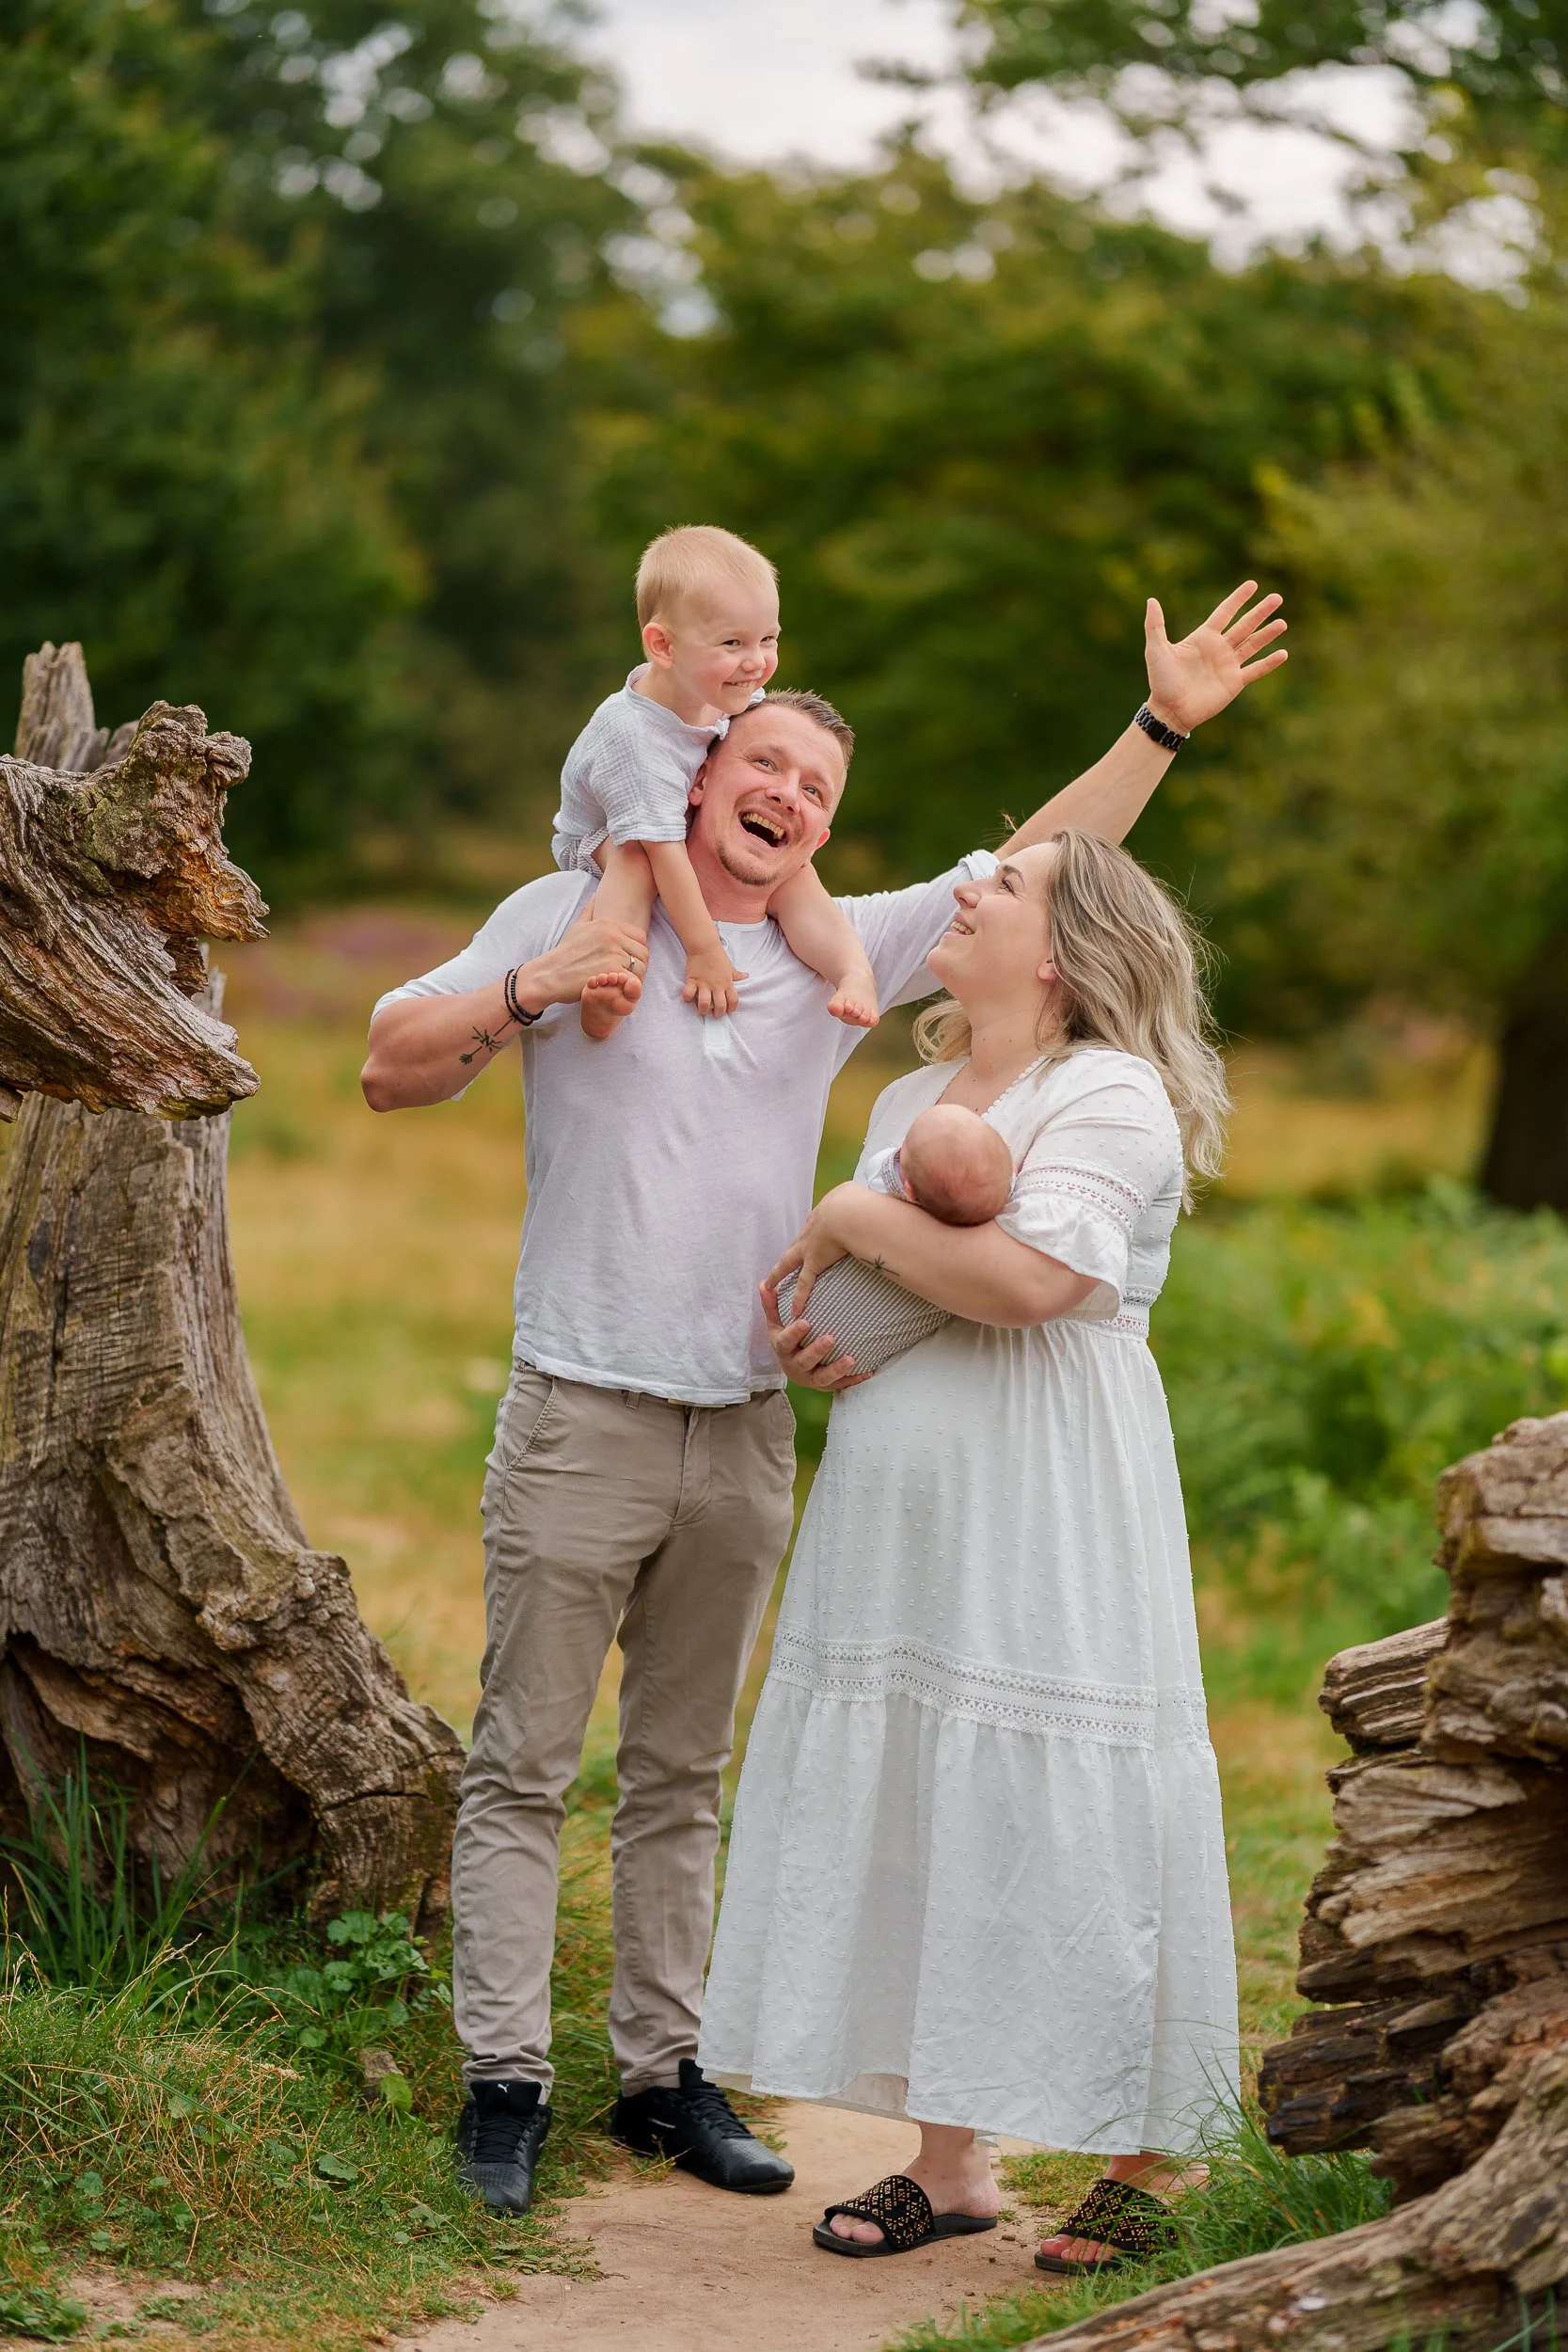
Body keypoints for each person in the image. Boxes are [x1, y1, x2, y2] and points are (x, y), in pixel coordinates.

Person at [357, 580, 1286, 2222]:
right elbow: (388, 1060)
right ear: (696, 774)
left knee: (681, 1773)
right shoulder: (568, 907)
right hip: (579, 1406)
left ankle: (662, 2079)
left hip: (742, 1426)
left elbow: (1033, 884)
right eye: (763, 765)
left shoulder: (826, 955)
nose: (787, 799)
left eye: (818, 791)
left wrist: (1157, 727)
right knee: (521, 1765)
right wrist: (539, 984)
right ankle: (504, 2084)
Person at [699, 829, 1238, 2274]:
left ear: (1059, 953)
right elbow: (897, 1291)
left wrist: (845, 1215)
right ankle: (949, 2165)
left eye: (1000, 884)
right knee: (930, 1800)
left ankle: (1150, 2154)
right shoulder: (919, 1090)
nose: (964, 888)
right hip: (902, 1504)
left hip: (1048, 1497)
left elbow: (1025, 1281)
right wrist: (830, 1332)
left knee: (1073, 1795)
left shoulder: (1109, 1093)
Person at [556, 523, 879, 1039]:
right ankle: (609, 985)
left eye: (768, 639)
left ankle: (851, 970)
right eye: (732, 643)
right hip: (601, 837)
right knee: (635, 862)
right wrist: (705, 950)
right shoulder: (634, 737)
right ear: (663, 646)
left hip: (677, 816)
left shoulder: (721, 691)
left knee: (794, 873)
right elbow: (664, 851)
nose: (757, 663)